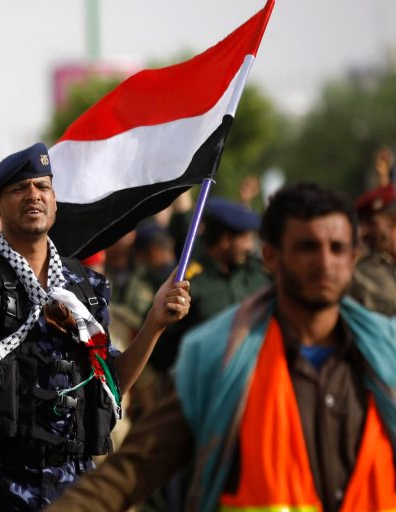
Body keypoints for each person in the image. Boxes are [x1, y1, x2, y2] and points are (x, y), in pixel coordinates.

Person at [0, 110, 191, 510]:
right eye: (20, 189)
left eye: (43, 187)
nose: (34, 196)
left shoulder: (87, 287)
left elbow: (111, 385)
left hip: (73, 485)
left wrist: (154, 324)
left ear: (55, 201)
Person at [45, 183, 396, 512]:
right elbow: (132, 470)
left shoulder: (386, 355)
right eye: (307, 247)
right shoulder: (219, 359)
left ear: (354, 258)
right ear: (271, 256)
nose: (325, 263)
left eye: (338, 249)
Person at [152, 198, 271, 376]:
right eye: (245, 239)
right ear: (225, 240)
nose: (249, 247)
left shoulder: (257, 275)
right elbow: (160, 349)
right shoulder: (189, 284)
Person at [349, 185, 396, 315]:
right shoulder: (360, 273)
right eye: (361, 225)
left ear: (392, 221)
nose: (363, 233)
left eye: (371, 223)